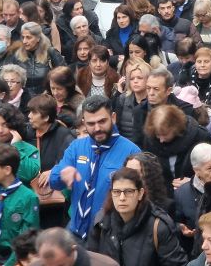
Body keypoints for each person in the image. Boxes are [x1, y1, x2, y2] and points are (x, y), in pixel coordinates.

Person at [50, 95, 141, 240]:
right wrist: (62, 173)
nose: (97, 128)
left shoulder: (131, 152)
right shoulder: (76, 146)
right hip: (75, 230)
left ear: (113, 117)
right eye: (91, 124)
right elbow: (53, 182)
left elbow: (140, 198)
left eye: (102, 121)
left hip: (109, 235)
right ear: (84, 122)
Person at [88, 167, 187, 266]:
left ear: (140, 193)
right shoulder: (102, 222)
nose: (122, 198)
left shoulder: (158, 226)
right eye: (117, 192)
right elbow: (91, 260)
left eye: (129, 192)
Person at [0, 144, 40, 266]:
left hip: (18, 258)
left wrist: (9, 264)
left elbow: (27, 238)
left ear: (7, 170)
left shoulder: (28, 197)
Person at [28, 94, 76, 228]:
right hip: (33, 199)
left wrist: (54, 171)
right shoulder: (27, 134)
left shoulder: (64, 135)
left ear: (46, 117)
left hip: (55, 204)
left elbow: (70, 161)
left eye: (34, 113)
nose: (29, 116)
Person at [142, 104, 211, 188]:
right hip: (162, 195)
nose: (161, 140)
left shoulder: (200, 138)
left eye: (165, 134)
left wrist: (194, 182)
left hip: (193, 194)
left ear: (175, 127)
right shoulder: (151, 139)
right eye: (158, 135)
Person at [174, 143, 211, 246]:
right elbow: (174, 221)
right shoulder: (181, 194)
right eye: (209, 168)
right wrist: (180, 228)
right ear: (196, 170)